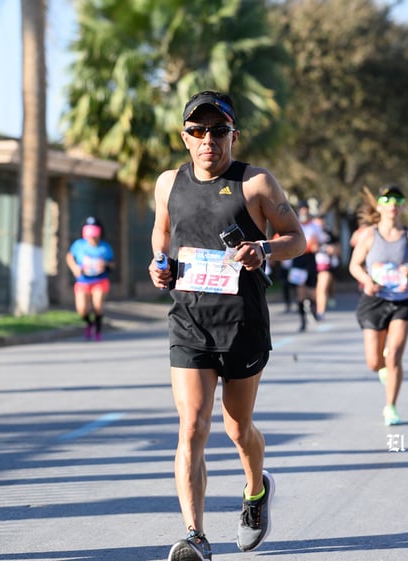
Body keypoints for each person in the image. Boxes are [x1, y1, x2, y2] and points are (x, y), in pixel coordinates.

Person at [148, 90, 306, 561]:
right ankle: (195, 535)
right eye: (198, 131)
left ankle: (256, 492)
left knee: (238, 429)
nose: (208, 140)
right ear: (185, 137)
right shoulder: (167, 184)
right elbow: (162, 234)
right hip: (189, 322)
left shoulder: (255, 183)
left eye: (218, 131)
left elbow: (296, 238)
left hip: (242, 325)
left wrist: (265, 250)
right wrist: (157, 266)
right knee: (192, 425)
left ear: (233, 135)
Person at [349, 185, 408, 427]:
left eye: (397, 200)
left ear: (402, 206)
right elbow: (355, 265)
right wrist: (367, 280)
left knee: (393, 356)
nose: (392, 204)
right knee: (374, 362)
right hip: (375, 300)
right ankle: (382, 369)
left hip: (402, 301)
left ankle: (390, 406)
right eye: (387, 199)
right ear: (380, 205)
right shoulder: (369, 235)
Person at [66, 217, 114, 341]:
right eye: (89, 233)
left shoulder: (105, 247)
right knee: (82, 309)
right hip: (82, 281)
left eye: (94, 233)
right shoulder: (79, 245)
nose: (92, 237)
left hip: (100, 281)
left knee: (97, 306)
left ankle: (97, 331)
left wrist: (105, 264)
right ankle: (89, 323)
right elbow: (69, 257)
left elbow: (112, 264)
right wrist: (75, 268)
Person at [292, 201, 322, 331]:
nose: (303, 212)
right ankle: (302, 321)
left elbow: (319, 241)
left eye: (305, 209)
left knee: (311, 292)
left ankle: (313, 308)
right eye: (301, 209)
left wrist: (315, 245)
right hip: (298, 259)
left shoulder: (315, 226)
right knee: (300, 291)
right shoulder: (294, 225)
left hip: (310, 260)